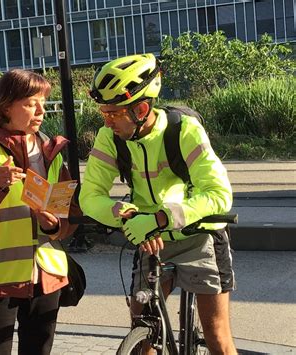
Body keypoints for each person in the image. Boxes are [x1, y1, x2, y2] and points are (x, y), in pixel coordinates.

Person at [79, 53, 237, 354]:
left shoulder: (184, 130)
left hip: (199, 236)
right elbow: (89, 197)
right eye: (103, 114)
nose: (107, 121)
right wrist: (122, 214)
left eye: (113, 114)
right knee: (144, 336)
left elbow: (218, 194)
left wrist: (160, 218)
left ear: (140, 108)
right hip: (150, 239)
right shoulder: (109, 139)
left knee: (217, 336)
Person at [0, 69, 78, 355]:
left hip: (47, 275)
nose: (41, 110)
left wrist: (54, 225)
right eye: (32, 103)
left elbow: (68, 214)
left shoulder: (50, 150)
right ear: (7, 106)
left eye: (44, 102)